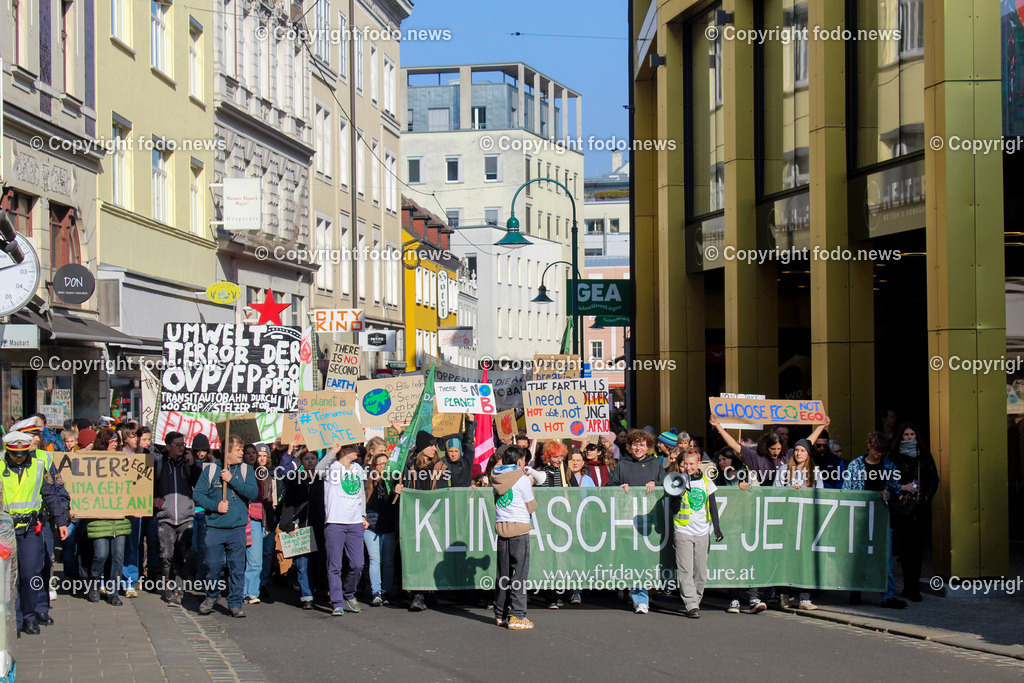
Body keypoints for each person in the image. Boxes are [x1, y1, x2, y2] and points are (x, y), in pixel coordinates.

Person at [1, 432, 69, 633]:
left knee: (30, 574)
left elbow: (50, 496)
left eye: (22, 454)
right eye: (15, 455)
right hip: (5, 530)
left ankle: (29, 617)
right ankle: (12, 619)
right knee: (7, 577)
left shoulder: (38, 466)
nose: (19, 458)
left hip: (29, 529)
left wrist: (60, 521)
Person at [193, 435, 258, 618]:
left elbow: (252, 493)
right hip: (215, 527)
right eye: (237, 449)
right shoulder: (211, 470)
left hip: (237, 528)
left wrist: (232, 480)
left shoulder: (246, 470)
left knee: (237, 567)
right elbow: (198, 495)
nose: (241, 453)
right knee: (213, 565)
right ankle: (212, 595)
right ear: (226, 451)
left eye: (242, 449)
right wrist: (215, 506)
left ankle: (235, 603)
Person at [842, 432, 905, 609]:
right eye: (877, 450)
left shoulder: (888, 466)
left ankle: (888, 595)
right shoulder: (855, 465)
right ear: (869, 447)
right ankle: (856, 591)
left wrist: (890, 495)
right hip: (859, 517)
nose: (879, 454)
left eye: (882, 451)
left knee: (885, 558)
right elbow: (846, 490)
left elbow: (896, 490)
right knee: (858, 556)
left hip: (881, 517)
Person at [609, 429, 666, 613]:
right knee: (635, 560)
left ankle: (648, 592)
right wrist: (620, 487)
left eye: (642, 444)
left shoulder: (655, 464)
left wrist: (656, 484)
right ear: (629, 446)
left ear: (648, 447)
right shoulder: (622, 465)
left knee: (648, 559)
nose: (638, 448)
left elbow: (667, 484)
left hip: (651, 521)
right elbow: (611, 486)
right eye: (635, 444)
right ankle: (640, 598)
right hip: (627, 520)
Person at [887, 422, 939, 602]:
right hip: (901, 507)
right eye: (906, 435)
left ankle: (914, 587)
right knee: (904, 549)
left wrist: (924, 496)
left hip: (918, 507)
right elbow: (888, 479)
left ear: (917, 436)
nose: (909, 438)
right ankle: (907, 585)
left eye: (912, 434)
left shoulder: (923, 455)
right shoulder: (894, 456)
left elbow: (934, 479)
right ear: (901, 436)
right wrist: (903, 487)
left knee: (916, 548)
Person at [317, 442, 368, 617]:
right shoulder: (332, 467)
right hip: (335, 522)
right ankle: (337, 602)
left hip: (355, 523)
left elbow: (361, 494)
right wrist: (332, 452)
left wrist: (363, 515)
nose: (357, 451)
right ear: (344, 450)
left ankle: (349, 593)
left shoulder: (358, 469)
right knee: (335, 565)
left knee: (358, 564)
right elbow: (318, 471)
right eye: (354, 448)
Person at [672, 450, 723, 619]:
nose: (688, 467)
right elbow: (673, 509)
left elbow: (713, 507)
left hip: (702, 532)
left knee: (700, 571)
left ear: (698, 464)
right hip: (683, 530)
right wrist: (678, 494)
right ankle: (691, 604)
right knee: (685, 569)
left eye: (692, 464)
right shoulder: (678, 481)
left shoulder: (707, 482)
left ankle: (696, 599)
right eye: (685, 464)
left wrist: (717, 529)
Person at [773, 438, 823, 610]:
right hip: (788, 519)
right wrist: (789, 489)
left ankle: (805, 598)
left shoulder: (814, 471)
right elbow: (775, 491)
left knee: (805, 559)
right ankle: (784, 594)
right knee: (786, 557)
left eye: (802, 450)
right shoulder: (784, 469)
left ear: (808, 453)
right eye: (796, 450)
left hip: (806, 520)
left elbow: (821, 493)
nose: (799, 453)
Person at [491, 445, 536, 630]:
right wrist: (530, 484)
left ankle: (500, 613)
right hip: (519, 529)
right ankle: (517, 615)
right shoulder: (522, 479)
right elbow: (531, 505)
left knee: (503, 574)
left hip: (502, 529)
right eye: (524, 460)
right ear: (519, 461)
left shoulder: (495, 476)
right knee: (519, 574)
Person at [153, 431, 201, 605]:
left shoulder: (187, 465)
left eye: (183, 444)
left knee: (184, 556)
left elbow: (199, 484)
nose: (182, 447)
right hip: (165, 517)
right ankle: (167, 583)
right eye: (178, 444)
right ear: (168, 446)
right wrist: (156, 503)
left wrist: (193, 465)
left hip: (185, 516)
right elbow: (150, 487)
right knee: (166, 555)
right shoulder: (159, 464)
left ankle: (179, 590)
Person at [278, 449, 326, 610]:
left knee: (319, 561)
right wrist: (287, 524)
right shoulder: (295, 479)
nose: (310, 461)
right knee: (303, 562)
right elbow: (288, 503)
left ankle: (319, 588)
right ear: (301, 461)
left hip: (319, 525)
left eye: (313, 458)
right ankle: (307, 596)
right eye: (306, 458)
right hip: (301, 526)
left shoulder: (323, 479)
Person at [364, 449, 401, 606]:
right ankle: (376, 591)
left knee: (388, 561)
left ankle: (386, 590)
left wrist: (397, 491)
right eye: (380, 464)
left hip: (388, 527)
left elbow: (395, 504)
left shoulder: (393, 481)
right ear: (374, 466)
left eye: (386, 464)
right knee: (374, 560)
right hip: (371, 526)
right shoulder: (368, 482)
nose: (383, 466)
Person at [242, 444, 272, 605]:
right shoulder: (239, 472)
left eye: (254, 453)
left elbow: (268, 500)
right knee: (239, 559)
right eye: (248, 453)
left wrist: (268, 525)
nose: (252, 456)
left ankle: (251, 592)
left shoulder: (263, 474)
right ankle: (240, 591)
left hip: (258, 519)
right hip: (242, 519)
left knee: (256, 560)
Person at [190, 434, 212, 581]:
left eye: (204, 450)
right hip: (192, 510)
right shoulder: (189, 464)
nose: (201, 453)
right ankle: (191, 575)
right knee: (193, 546)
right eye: (198, 450)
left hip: (205, 511)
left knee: (203, 546)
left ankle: (200, 576)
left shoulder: (212, 465)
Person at [438, 414, 476, 489]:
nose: (453, 454)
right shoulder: (443, 463)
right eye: (450, 451)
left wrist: (470, 421)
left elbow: (468, 443)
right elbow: (441, 441)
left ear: (460, 451)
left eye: (456, 451)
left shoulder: (466, 462)